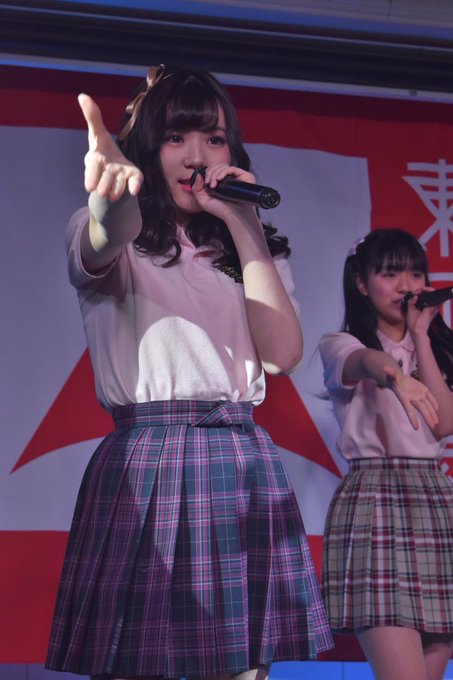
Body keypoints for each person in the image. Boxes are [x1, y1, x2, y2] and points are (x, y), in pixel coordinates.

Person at [45, 64, 333, 680]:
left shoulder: (252, 250)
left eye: (214, 138)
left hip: (239, 457)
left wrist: (243, 225)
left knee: (241, 668)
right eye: (176, 137)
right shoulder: (113, 237)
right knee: (136, 662)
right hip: (146, 457)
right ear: (148, 147)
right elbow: (110, 230)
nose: (197, 156)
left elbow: (283, 355)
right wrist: (110, 197)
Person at [319, 228, 453, 680]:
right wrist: (397, 376)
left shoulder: (437, 349)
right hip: (375, 499)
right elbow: (367, 364)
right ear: (362, 282)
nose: (406, 286)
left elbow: (443, 424)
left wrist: (422, 335)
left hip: (435, 500)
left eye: (415, 273)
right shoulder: (341, 344)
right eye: (391, 274)